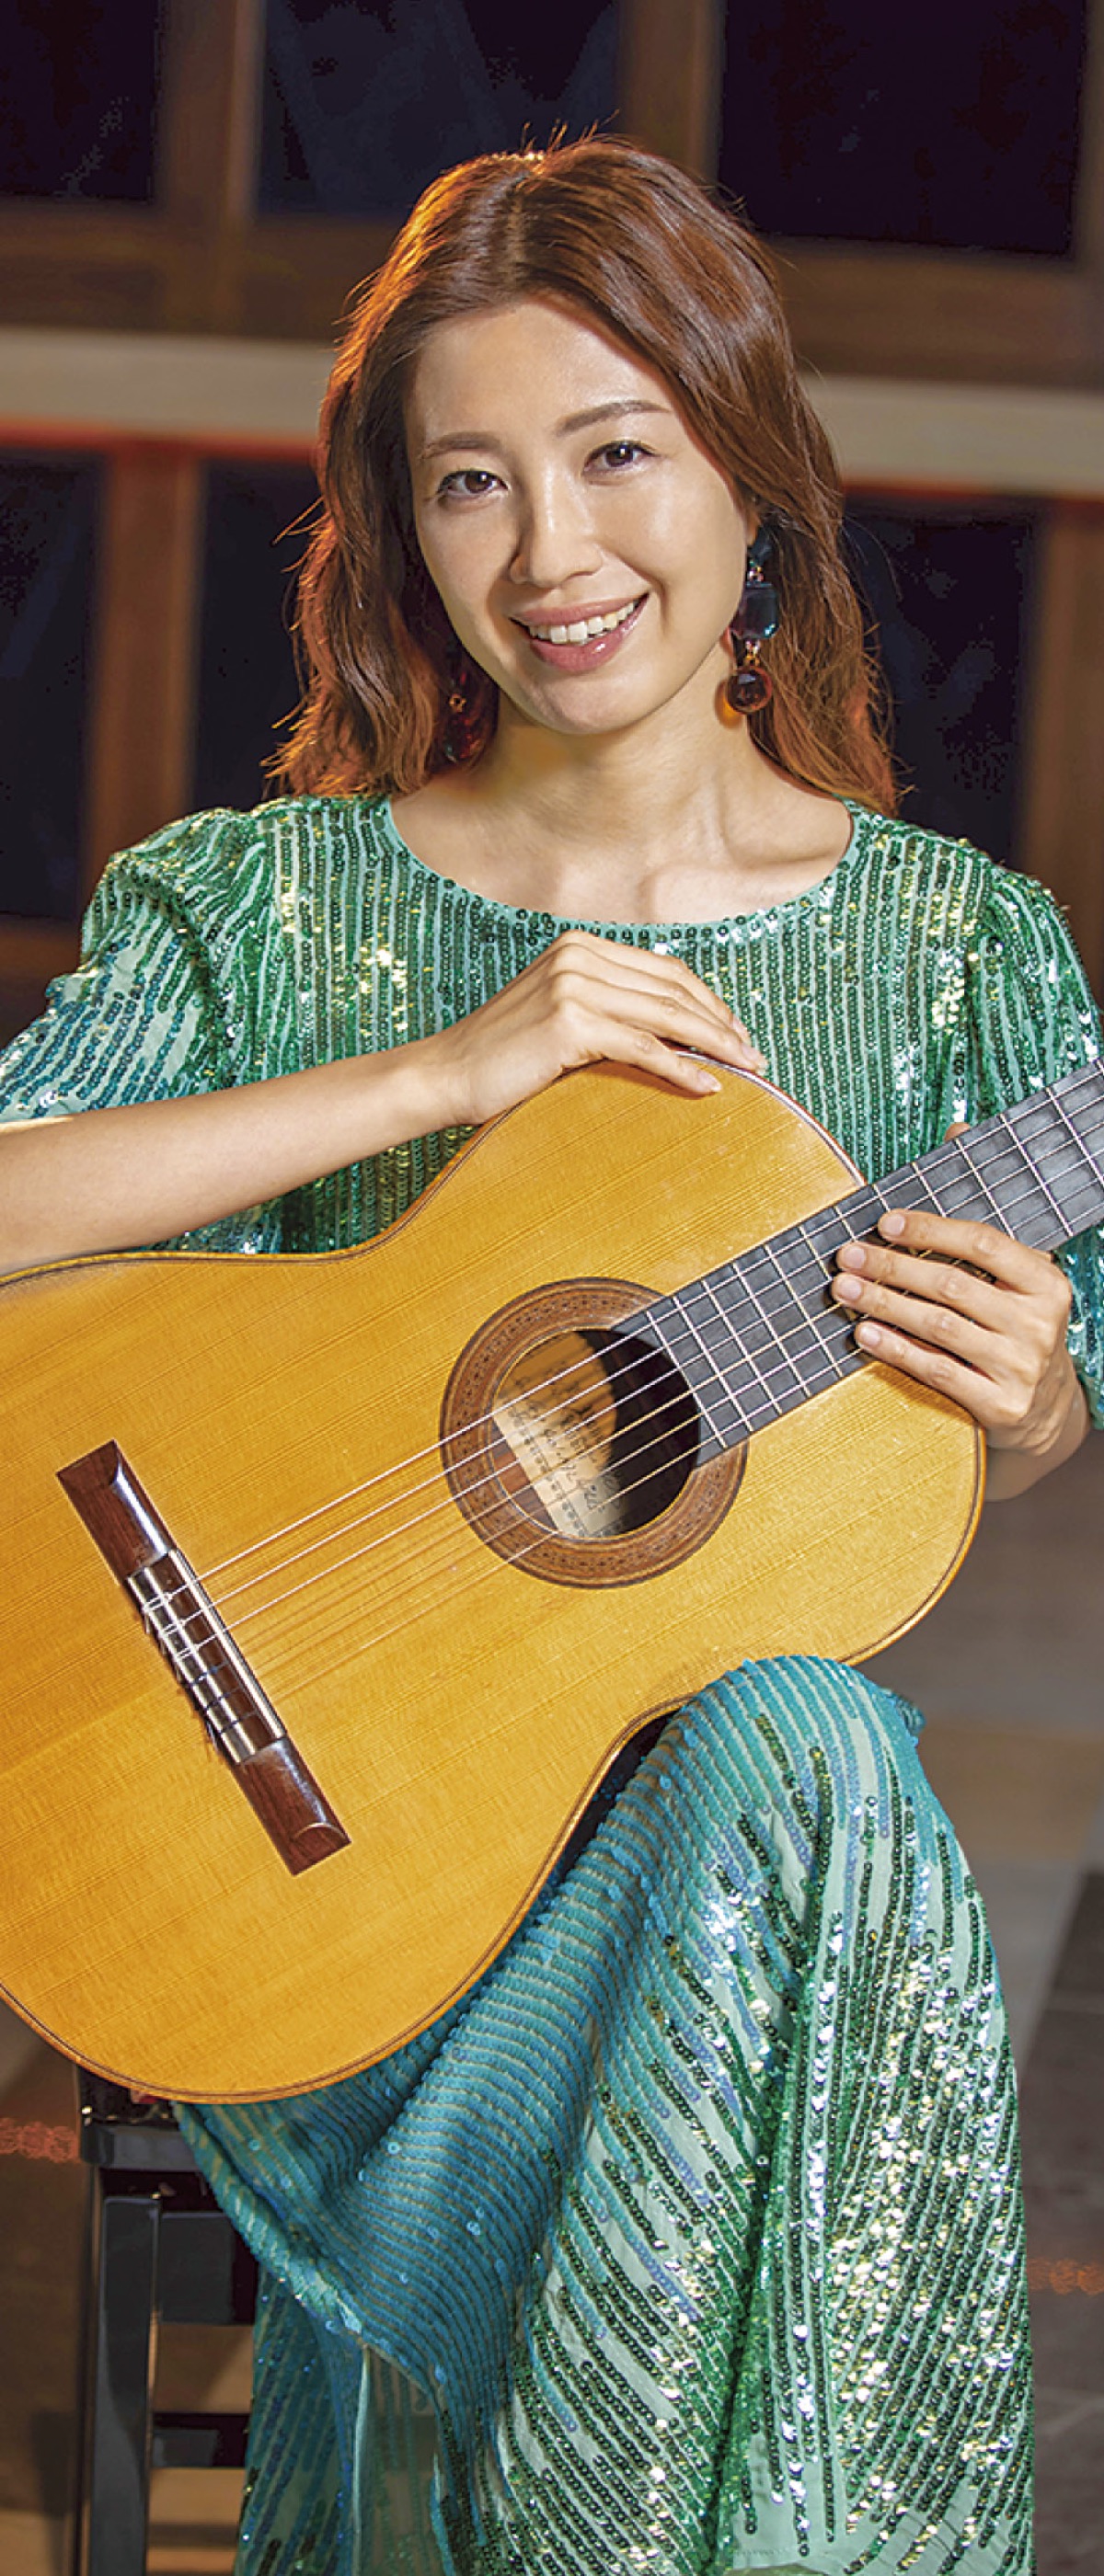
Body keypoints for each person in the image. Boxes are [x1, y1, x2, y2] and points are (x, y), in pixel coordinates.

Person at [0, 138, 1098, 2576]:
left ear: (746, 468)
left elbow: (984, 1447)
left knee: (793, 1739)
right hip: (317, 1884)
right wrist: (432, 1082)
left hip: (697, 1882)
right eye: (468, 481)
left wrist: (1029, 1404)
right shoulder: (261, 897)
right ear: (400, 527)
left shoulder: (965, 964)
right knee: (822, 1764)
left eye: (614, 455)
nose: (549, 556)